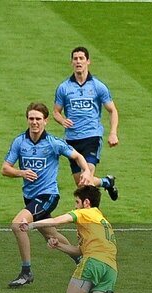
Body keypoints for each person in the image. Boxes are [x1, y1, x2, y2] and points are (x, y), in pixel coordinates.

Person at [19, 185, 117, 293]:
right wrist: (59, 246)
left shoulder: (85, 213)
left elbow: (57, 221)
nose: (75, 206)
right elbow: (79, 250)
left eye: (77, 202)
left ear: (86, 202)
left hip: (92, 263)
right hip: (110, 269)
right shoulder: (103, 222)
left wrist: (31, 225)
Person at [2, 102, 93, 288]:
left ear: (46, 121)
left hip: (48, 196)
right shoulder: (20, 142)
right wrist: (21, 172)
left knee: (18, 225)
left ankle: (26, 272)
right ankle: (82, 260)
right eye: (31, 118)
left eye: (38, 119)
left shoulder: (53, 143)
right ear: (27, 120)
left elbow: (77, 156)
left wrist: (86, 171)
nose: (34, 122)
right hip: (30, 197)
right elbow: (5, 168)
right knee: (51, 235)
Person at [53, 46, 120, 201]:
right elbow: (56, 111)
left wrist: (113, 133)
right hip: (71, 140)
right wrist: (62, 120)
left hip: (92, 137)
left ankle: (90, 212)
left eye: (81, 58)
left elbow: (112, 110)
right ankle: (106, 182)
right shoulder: (64, 88)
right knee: (81, 184)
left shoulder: (97, 86)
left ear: (88, 61)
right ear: (71, 62)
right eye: (75, 59)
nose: (78, 62)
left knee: (86, 178)